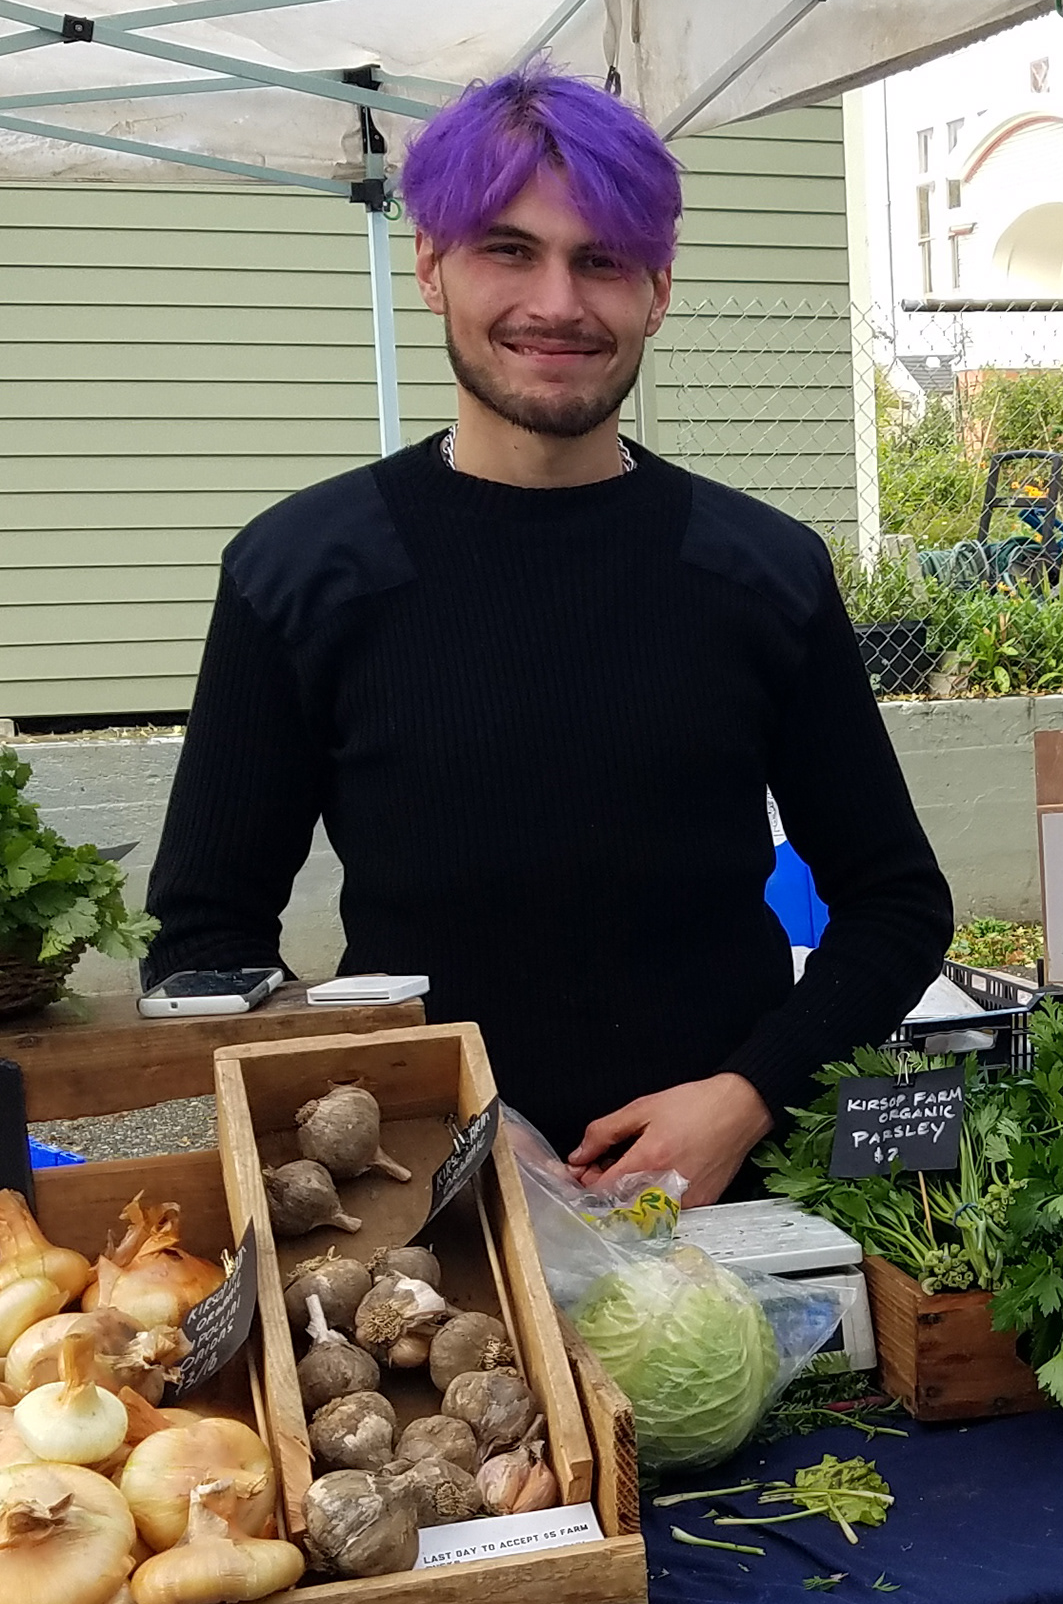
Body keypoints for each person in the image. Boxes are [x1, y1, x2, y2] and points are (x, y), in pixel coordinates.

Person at [142, 71, 951, 1202]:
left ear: (658, 289)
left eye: (603, 260)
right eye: (508, 250)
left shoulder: (761, 571)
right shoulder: (302, 573)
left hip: (730, 1208)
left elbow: (898, 905)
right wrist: (426, 1119)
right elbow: (204, 953)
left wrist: (747, 1093)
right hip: (428, 1224)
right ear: (431, 267)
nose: (558, 302)